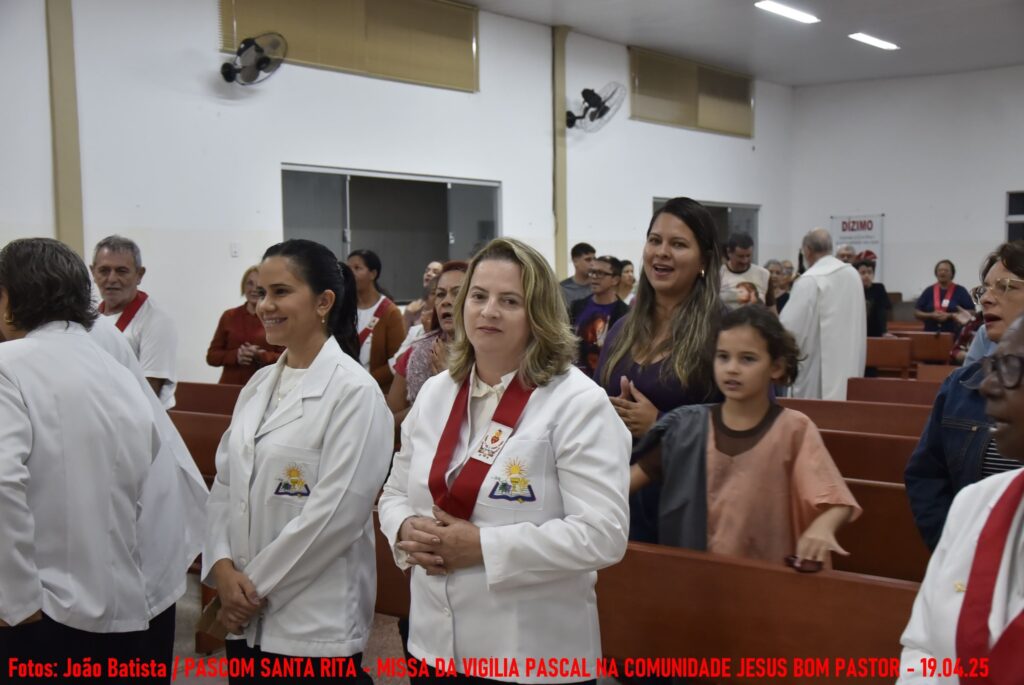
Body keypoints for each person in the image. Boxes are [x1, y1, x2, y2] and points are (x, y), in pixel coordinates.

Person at [378, 238, 630, 684]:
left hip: (530, 656)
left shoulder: (577, 402)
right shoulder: (437, 393)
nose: (488, 311)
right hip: (433, 645)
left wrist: (483, 546)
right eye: (478, 296)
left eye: (509, 301)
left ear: (538, 313)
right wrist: (403, 526)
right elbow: (395, 491)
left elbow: (603, 534)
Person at [203, 239, 392, 683]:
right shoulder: (259, 385)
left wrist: (249, 589)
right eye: (261, 293)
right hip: (244, 611)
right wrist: (223, 567)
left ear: (324, 302)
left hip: (312, 623)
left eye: (281, 292)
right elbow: (225, 487)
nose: (264, 305)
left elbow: (336, 515)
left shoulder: (355, 393)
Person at [0, 238, 160, 682]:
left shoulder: (8, 365)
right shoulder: (117, 371)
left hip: (41, 609)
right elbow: (144, 466)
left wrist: (15, 601)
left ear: (10, 298)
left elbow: (3, 484)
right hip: (121, 605)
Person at [631, 305, 860, 567]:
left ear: (776, 367)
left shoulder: (794, 429)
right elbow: (630, 481)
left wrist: (822, 528)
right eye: (723, 357)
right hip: (695, 577)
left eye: (747, 359)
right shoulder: (686, 427)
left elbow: (837, 502)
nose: (732, 369)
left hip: (768, 578)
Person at [897, 314, 1024, 683]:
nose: (986, 387)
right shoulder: (974, 504)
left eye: (1010, 368)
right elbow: (923, 648)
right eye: (992, 366)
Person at [594, 197, 724, 543]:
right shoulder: (622, 329)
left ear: (703, 260)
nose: (661, 253)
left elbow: (753, 426)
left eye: (678, 244)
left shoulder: (726, 331)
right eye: (655, 240)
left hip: (686, 505)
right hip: (613, 499)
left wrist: (660, 423)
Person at [905, 241, 1024, 550]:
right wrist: (955, 549)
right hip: (973, 558)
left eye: (1005, 286)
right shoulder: (961, 386)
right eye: (983, 290)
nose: (986, 298)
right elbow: (927, 476)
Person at [91, 234, 179, 407]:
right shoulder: (89, 317)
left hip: (139, 418)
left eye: (121, 271)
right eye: (104, 270)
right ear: (93, 272)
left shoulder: (157, 321)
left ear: (139, 274)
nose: (111, 279)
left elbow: (150, 392)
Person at [779, 228, 866, 400]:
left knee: (814, 409)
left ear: (807, 251)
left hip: (815, 371)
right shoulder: (852, 274)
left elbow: (789, 329)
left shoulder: (809, 280)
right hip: (849, 363)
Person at [388, 261, 469, 430]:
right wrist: (435, 391)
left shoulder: (490, 356)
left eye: (457, 293)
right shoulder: (418, 352)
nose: (446, 301)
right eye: (440, 294)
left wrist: (449, 379)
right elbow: (389, 423)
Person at [206, 265, 285, 384]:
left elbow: (287, 358)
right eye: (250, 283)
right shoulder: (229, 316)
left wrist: (261, 356)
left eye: (259, 285)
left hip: (264, 386)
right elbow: (212, 357)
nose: (254, 289)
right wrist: (236, 355)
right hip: (230, 387)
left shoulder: (276, 317)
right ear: (243, 286)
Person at [347, 249, 405, 394]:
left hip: (375, 391)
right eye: (348, 268)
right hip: (346, 388)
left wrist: (365, 381)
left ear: (373, 274)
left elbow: (397, 360)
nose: (351, 273)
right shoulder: (345, 308)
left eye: (357, 268)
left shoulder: (390, 313)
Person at [570, 255, 630, 378]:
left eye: (601, 273)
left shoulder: (625, 314)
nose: (594, 277)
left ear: (615, 279)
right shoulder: (577, 306)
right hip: (577, 377)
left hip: (608, 378)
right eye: (592, 272)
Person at [914, 259, 975, 334]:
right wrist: (931, 315)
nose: (942, 272)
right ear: (936, 273)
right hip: (931, 333)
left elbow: (972, 312)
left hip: (954, 334)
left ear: (952, 274)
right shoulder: (928, 291)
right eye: (940, 270)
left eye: (946, 270)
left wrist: (950, 315)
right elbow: (917, 312)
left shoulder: (961, 291)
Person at [719, 232, 771, 309]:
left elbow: (771, 308)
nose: (745, 261)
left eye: (748, 256)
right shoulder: (718, 274)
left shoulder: (764, 274)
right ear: (729, 252)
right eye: (740, 256)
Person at [403, 261, 444, 331]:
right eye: (427, 271)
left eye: (435, 272)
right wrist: (407, 316)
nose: (429, 274)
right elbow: (403, 337)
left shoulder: (445, 309)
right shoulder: (413, 308)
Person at [856, 257, 891, 337]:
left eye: (870, 272)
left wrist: (884, 331)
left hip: (875, 332)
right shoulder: (853, 289)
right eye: (863, 273)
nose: (867, 275)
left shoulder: (879, 288)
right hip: (857, 332)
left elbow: (881, 311)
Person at [559, 241, 596, 307]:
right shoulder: (563, 288)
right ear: (575, 261)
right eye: (588, 260)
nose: (593, 263)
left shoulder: (598, 286)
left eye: (594, 259)